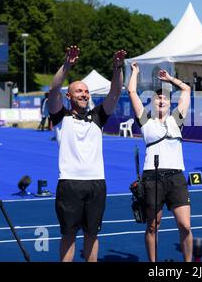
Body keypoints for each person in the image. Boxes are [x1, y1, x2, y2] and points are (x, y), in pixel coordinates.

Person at [48, 46, 127, 262]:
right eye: (79, 91)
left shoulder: (98, 115)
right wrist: (67, 65)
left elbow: (115, 92)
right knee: (68, 234)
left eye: (86, 91)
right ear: (69, 96)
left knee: (92, 234)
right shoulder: (59, 116)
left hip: (96, 183)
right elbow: (53, 89)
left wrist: (118, 67)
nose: (84, 94)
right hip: (69, 184)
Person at [128, 62, 193, 262]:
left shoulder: (177, 118)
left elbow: (187, 89)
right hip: (152, 177)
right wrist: (135, 72)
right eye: (158, 98)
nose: (162, 100)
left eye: (165, 97)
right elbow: (131, 91)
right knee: (153, 225)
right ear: (152, 102)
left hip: (176, 176)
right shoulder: (146, 120)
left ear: (170, 102)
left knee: (185, 226)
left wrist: (170, 79)